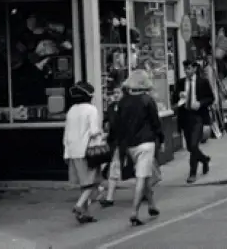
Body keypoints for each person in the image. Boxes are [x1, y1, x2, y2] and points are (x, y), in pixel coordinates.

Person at [114, 70, 165, 226]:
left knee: (146, 175)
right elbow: (156, 122)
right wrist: (161, 139)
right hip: (146, 142)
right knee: (141, 178)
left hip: (130, 144)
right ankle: (134, 212)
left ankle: (152, 205)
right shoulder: (147, 100)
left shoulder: (122, 102)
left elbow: (118, 125)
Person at [62, 81, 102, 224]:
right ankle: (79, 206)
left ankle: (85, 214)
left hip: (73, 151)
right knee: (92, 182)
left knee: (83, 184)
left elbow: (66, 134)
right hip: (87, 150)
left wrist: (66, 153)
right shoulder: (91, 110)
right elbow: (94, 131)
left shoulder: (71, 111)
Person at [175, 60, 214, 183]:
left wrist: (200, 103)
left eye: (189, 68)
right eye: (185, 69)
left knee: (193, 145)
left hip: (198, 117)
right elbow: (174, 97)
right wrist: (178, 96)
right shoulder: (181, 82)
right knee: (189, 147)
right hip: (185, 117)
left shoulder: (203, 82)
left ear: (195, 69)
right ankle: (204, 159)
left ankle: (192, 173)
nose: (186, 71)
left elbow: (211, 98)